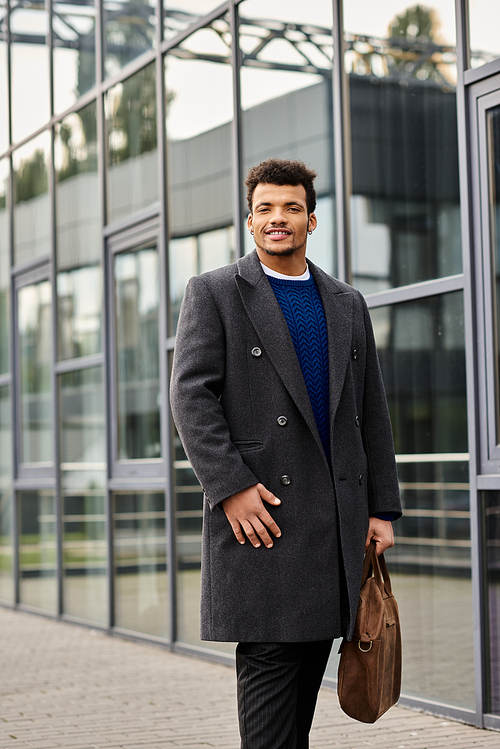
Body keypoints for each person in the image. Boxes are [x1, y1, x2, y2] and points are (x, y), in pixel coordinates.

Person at [170, 158, 402, 749]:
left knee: (300, 703)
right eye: (267, 209)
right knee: (271, 701)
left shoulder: (347, 302)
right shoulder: (216, 292)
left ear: (312, 220)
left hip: (335, 527)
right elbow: (190, 396)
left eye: (292, 208)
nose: (279, 219)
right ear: (250, 222)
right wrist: (229, 486)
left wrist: (381, 509)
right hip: (264, 519)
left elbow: (371, 410)